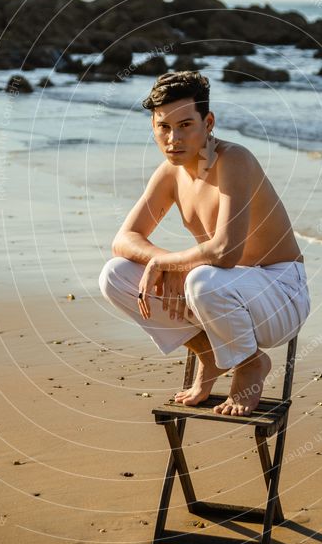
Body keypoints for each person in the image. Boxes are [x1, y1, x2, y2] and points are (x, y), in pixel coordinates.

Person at [98, 71, 310, 416]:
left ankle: (249, 364)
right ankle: (209, 353)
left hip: (279, 291)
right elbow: (124, 239)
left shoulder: (234, 160)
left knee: (201, 279)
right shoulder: (169, 173)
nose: (173, 139)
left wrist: (167, 265)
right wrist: (162, 261)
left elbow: (226, 253)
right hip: (219, 293)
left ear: (207, 122)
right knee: (115, 275)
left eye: (185, 125)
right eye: (163, 127)